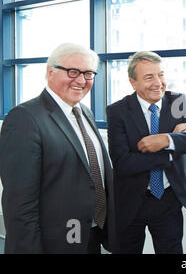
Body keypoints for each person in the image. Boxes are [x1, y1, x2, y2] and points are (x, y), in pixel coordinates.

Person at [0, 43, 117, 254]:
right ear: (50, 72)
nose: (81, 80)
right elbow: (19, 204)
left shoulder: (85, 113)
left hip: (89, 235)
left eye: (88, 73)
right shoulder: (25, 118)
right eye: (73, 72)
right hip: (53, 243)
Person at [106, 51, 186, 254]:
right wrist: (170, 152)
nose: (158, 83)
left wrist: (167, 139)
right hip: (131, 199)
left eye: (160, 74)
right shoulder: (118, 111)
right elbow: (123, 163)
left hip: (168, 199)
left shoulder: (177, 102)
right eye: (148, 77)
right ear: (132, 82)